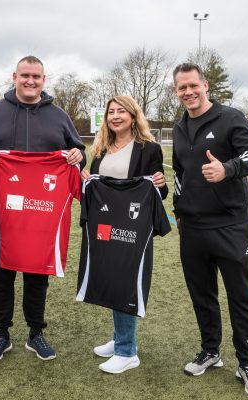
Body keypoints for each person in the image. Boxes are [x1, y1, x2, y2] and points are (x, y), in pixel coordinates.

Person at [0, 55, 85, 363]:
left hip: (41, 212)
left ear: (44, 80)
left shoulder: (59, 116)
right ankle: (1, 333)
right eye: (25, 75)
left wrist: (76, 155)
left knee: (37, 274)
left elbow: (79, 151)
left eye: (36, 76)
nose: (31, 81)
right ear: (14, 76)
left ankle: (35, 332)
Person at [171, 62, 248, 397]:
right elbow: (179, 174)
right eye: (182, 88)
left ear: (205, 85)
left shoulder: (231, 117)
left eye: (193, 85)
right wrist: (178, 211)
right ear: (176, 91)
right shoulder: (179, 127)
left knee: (241, 297)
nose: (188, 92)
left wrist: (227, 169)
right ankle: (210, 351)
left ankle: (247, 363)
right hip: (192, 228)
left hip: (230, 226)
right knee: (202, 296)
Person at [79, 95, 168, 374]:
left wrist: (161, 183)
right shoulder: (101, 148)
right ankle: (120, 337)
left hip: (132, 228)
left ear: (133, 116)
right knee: (111, 279)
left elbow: (159, 193)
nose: (115, 116)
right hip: (105, 226)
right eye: (111, 112)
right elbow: (97, 188)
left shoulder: (149, 148)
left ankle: (127, 351)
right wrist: (87, 180)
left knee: (126, 282)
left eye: (121, 112)